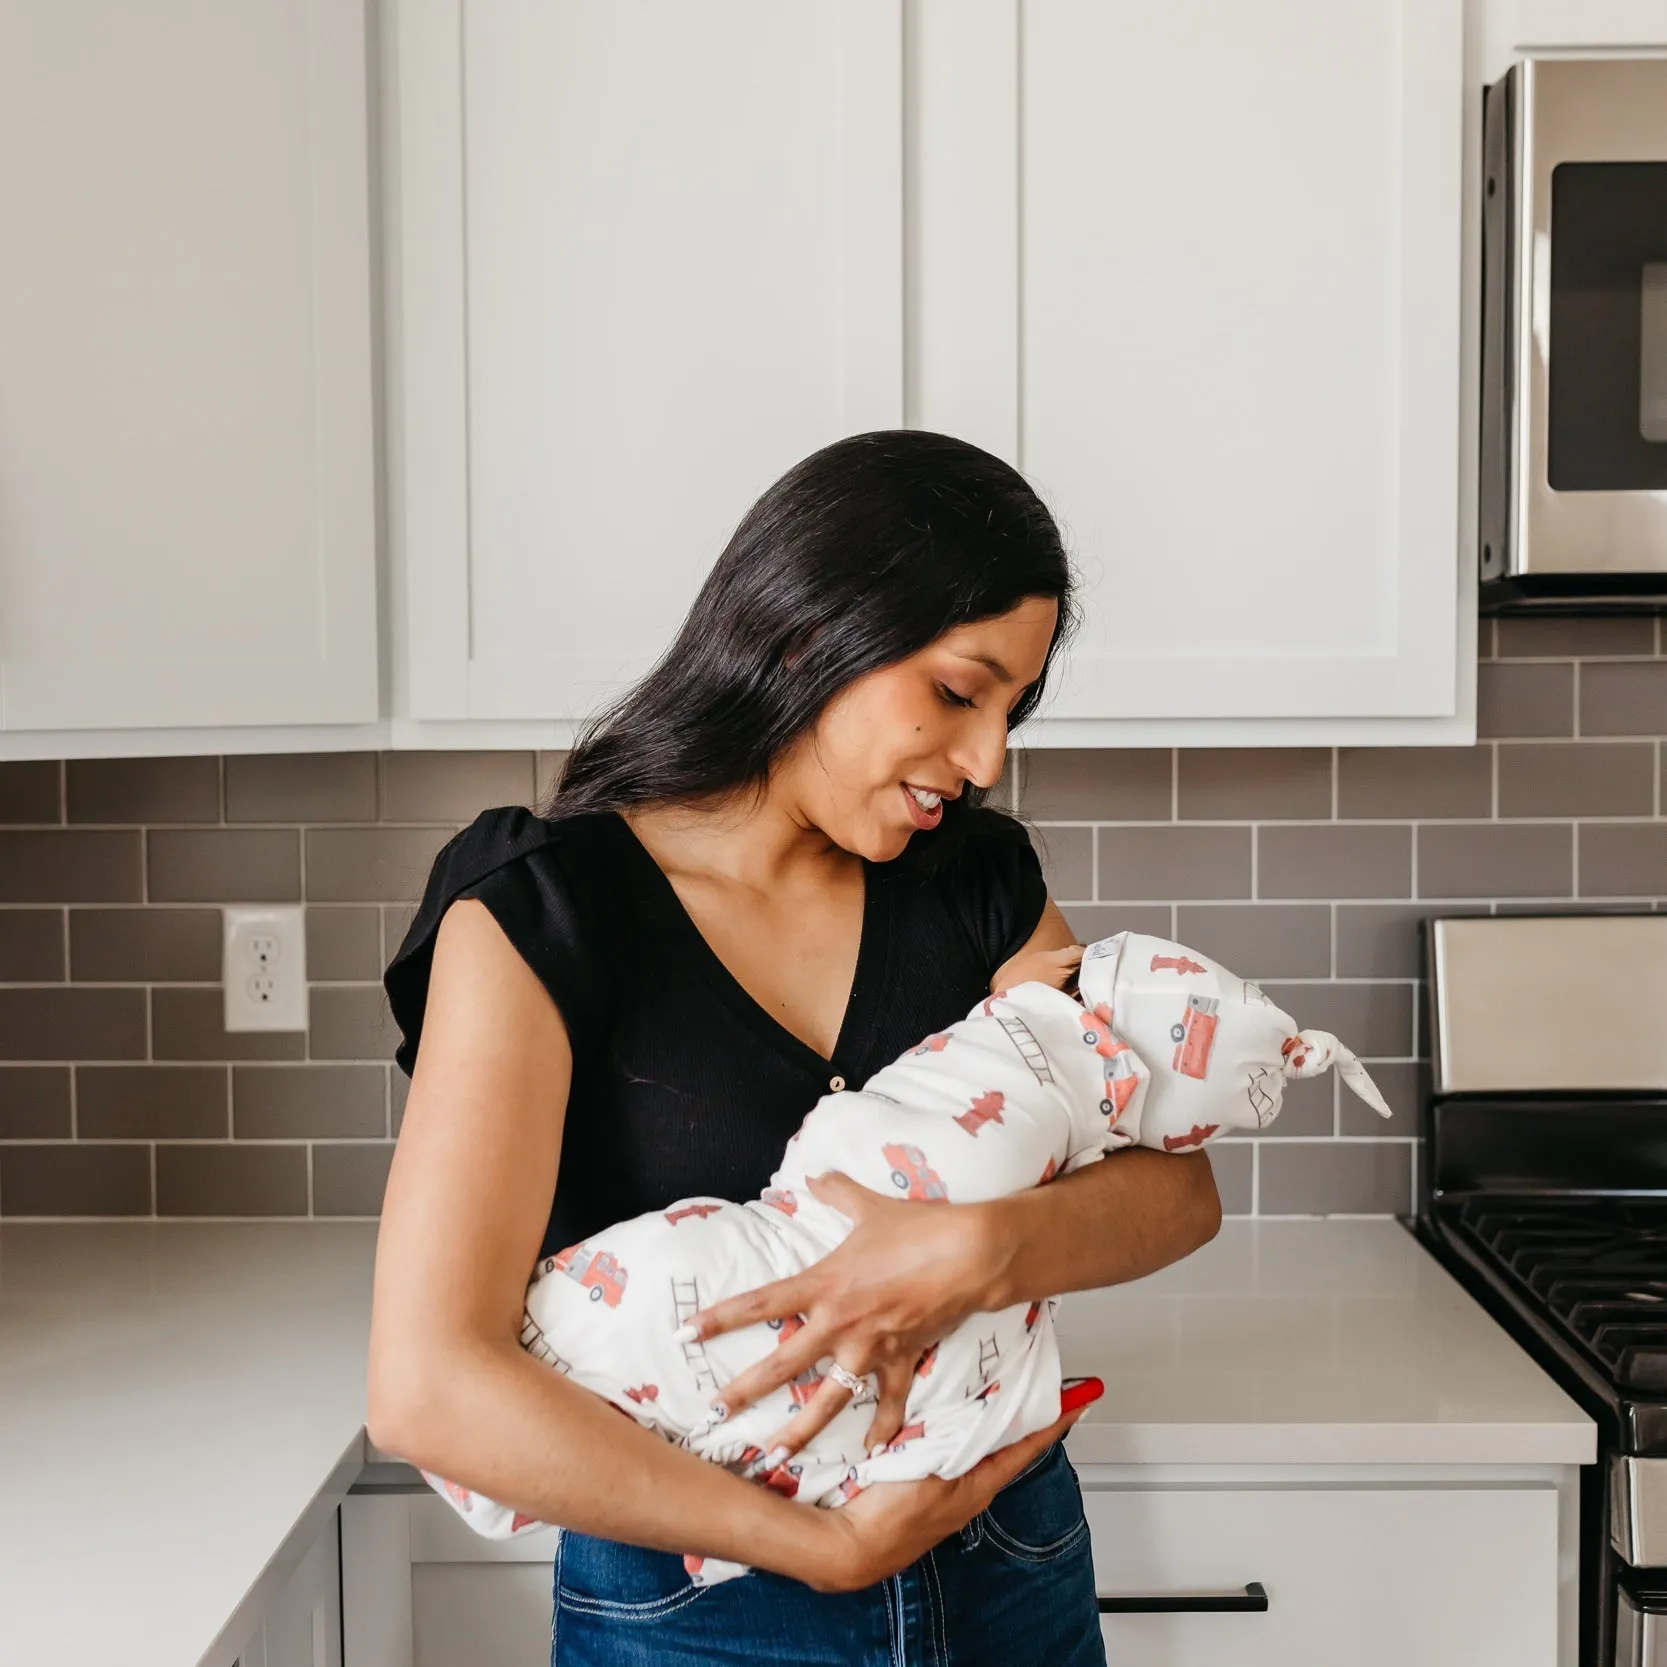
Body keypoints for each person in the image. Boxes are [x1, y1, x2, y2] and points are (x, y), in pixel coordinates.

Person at [369, 429, 1223, 1666]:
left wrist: (972, 1248)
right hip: (699, 1602)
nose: (986, 759)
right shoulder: (544, 909)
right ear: (803, 635)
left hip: (1004, 1556)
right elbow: (426, 1382)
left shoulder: (973, 883)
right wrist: (827, 1549)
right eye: (954, 690)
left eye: (1010, 708)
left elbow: (1176, 1189)